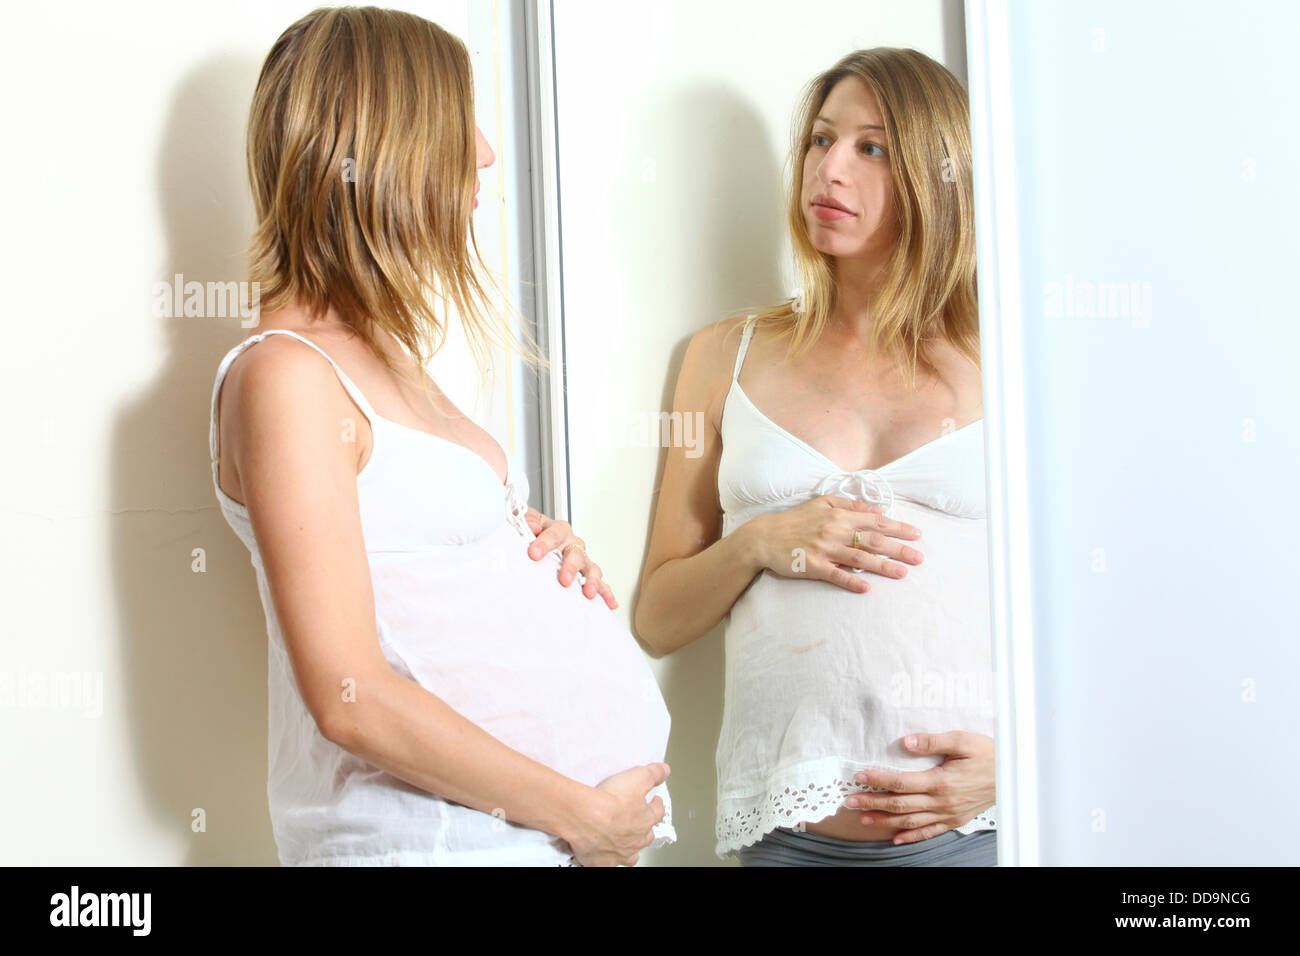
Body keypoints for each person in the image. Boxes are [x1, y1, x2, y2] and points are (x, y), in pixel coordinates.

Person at [209, 6, 673, 866]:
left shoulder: (385, 357)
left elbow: (420, 578)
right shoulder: (288, 376)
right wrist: (581, 813)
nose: (487, 154)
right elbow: (351, 698)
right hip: (421, 846)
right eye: (463, 125)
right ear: (388, 147)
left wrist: (529, 554)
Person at [635, 48, 997, 866]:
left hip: (976, 832)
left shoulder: (1009, 364)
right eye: (820, 141)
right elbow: (659, 617)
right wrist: (762, 540)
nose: (829, 169)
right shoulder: (717, 357)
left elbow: (1091, 616)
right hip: (786, 841)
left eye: (872, 148)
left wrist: (1016, 768)